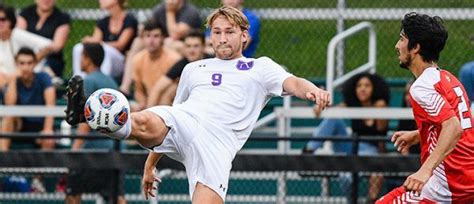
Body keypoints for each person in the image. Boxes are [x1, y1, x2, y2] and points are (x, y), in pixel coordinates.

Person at [65, 6, 330, 203]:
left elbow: (293, 82)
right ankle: (88, 116)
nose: (223, 38)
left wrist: (313, 90)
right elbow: (170, 120)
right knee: (148, 118)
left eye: (229, 32)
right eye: (217, 32)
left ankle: (95, 118)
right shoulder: (194, 69)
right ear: (210, 37)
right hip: (185, 121)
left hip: (216, 147)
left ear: (244, 36)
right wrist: (150, 164)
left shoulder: (259, 67)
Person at [376, 12, 474, 203]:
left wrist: (424, 170)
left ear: (415, 47)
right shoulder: (449, 79)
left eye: (402, 39)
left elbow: (453, 127)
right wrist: (418, 134)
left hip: (448, 186)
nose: (397, 46)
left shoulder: (421, 87)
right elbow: (462, 125)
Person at [304, 72, 389, 202]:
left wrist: (379, 109)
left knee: (346, 176)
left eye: (367, 85)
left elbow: (382, 130)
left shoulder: (380, 106)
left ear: (375, 88)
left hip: (370, 150)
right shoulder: (352, 104)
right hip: (351, 146)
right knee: (335, 118)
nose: (362, 88)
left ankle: (363, 201)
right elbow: (333, 110)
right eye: (359, 85)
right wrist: (320, 106)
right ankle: (308, 151)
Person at [65, 43, 126, 204]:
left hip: (93, 152)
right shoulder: (110, 81)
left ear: (88, 59)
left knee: (72, 193)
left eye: (82, 56)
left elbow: (86, 120)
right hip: (113, 150)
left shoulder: (89, 81)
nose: (80, 60)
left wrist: (75, 149)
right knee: (115, 196)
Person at [119, 0, 201, 94]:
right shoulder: (160, 8)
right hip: (163, 42)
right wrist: (143, 29)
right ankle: (125, 87)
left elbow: (175, 34)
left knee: (170, 42)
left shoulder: (189, 11)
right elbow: (149, 27)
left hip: (184, 46)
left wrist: (170, 12)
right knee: (138, 41)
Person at [0, 47, 55, 151]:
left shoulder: (44, 77)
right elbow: (10, 105)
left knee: (48, 137)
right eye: (22, 63)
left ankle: (47, 167)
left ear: (34, 64)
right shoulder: (12, 80)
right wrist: (12, 80)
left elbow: (50, 104)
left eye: (29, 63)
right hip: (18, 125)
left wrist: (48, 129)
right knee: (8, 117)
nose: (26, 67)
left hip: (38, 126)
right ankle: (3, 161)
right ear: (16, 64)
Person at [72, 0, 138, 83]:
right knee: (79, 48)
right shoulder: (103, 22)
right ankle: (78, 84)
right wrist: (89, 41)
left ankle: (103, 84)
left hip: (121, 62)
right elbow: (95, 44)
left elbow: (121, 44)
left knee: (106, 49)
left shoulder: (129, 20)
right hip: (102, 58)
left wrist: (99, 42)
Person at [147, 30, 211, 107]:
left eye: (196, 46)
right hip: (189, 100)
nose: (191, 50)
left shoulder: (212, 61)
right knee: (170, 90)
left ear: (203, 47)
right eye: (188, 46)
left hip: (209, 96)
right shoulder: (182, 64)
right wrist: (148, 114)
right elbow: (157, 88)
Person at [132, 20, 181, 111]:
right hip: (148, 103)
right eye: (148, 36)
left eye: (156, 36)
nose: (151, 40)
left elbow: (176, 89)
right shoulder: (137, 59)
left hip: (169, 105)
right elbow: (138, 90)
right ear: (142, 38)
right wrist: (142, 101)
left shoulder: (174, 59)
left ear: (163, 38)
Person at [17, 0, 71, 82]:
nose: (46, 0)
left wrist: (37, 57)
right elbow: (19, 37)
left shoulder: (62, 18)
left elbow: (57, 46)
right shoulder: (25, 13)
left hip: (50, 59)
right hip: (26, 55)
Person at [0, 4, 52, 87]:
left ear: (10, 21)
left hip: (27, 80)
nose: (0, 23)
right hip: (7, 81)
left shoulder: (16, 34)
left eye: (2, 19)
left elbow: (47, 45)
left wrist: (28, 65)